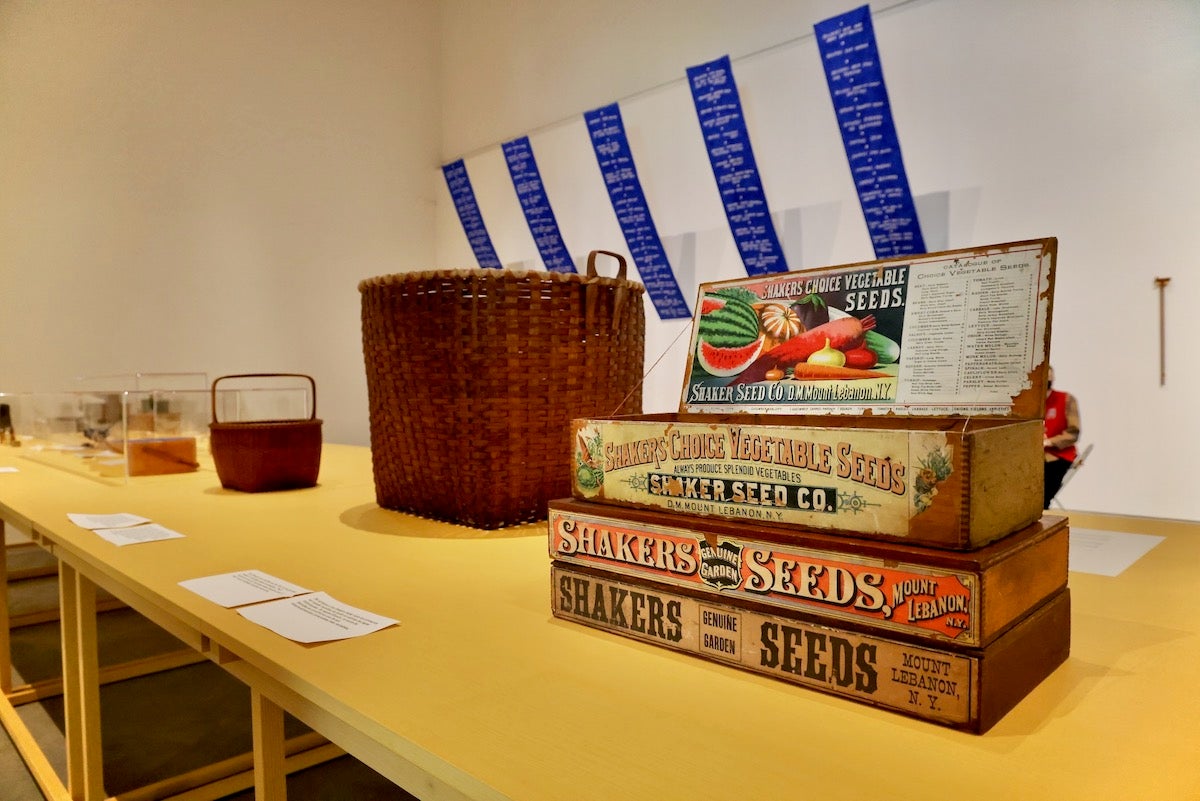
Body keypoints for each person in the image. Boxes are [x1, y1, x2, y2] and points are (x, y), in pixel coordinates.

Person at [1043, 367, 1081, 508]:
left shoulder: (1066, 399)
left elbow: (1073, 432)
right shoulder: (1031, 403)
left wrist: (1049, 442)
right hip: (1034, 456)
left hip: (1058, 456)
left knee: (1043, 494)